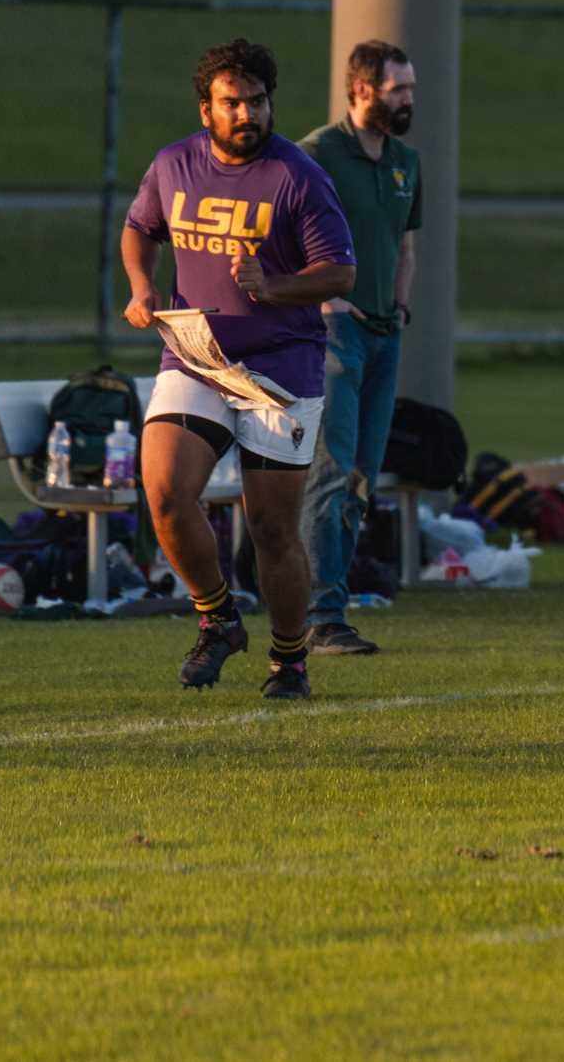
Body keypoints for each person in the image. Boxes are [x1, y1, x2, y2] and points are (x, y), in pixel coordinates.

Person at [122, 38, 356, 700]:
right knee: (165, 488)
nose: (248, 112)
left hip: (281, 366)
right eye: (233, 103)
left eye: (257, 101)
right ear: (207, 110)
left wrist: (272, 285)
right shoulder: (173, 165)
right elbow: (139, 228)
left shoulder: (298, 176)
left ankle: (289, 660)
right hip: (196, 354)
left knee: (272, 528)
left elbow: (341, 272)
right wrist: (142, 287)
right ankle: (219, 617)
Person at [295, 39, 419, 657]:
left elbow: (404, 245)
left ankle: (331, 603)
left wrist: (399, 308)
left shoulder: (406, 162)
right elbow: (277, 235)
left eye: (411, 89)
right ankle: (318, 614)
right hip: (335, 333)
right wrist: (321, 300)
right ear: (361, 89)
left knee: (363, 477)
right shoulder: (316, 155)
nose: (409, 99)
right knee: (331, 468)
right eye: (399, 89)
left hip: (383, 332)